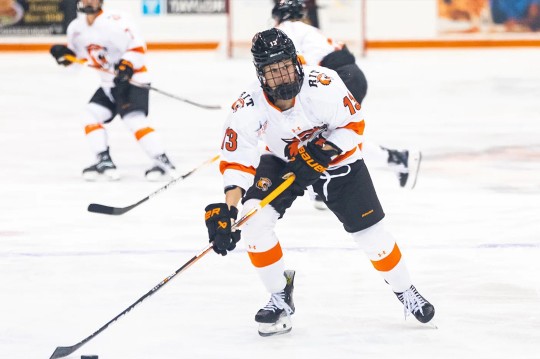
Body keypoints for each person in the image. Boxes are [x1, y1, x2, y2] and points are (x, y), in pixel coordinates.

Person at [203, 28, 435, 337]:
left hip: (338, 161)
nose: (282, 76)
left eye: (285, 66)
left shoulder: (323, 84)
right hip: (283, 162)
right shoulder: (247, 106)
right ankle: (279, 296)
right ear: (260, 75)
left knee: (372, 237)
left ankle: (405, 290)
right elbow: (237, 160)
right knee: (253, 222)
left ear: (296, 63)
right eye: (272, 71)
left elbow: (354, 125)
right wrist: (229, 210)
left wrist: (321, 151)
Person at [272, 0, 422, 198]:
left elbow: (295, 68)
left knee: (324, 135)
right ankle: (398, 159)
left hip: (340, 80)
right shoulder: (306, 30)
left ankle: (397, 159)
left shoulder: (286, 30)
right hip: (349, 76)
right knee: (332, 135)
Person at [49, 0, 177, 181]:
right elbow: (76, 60)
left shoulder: (115, 21)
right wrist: (64, 55)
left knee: (133, 119)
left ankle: (162, 161)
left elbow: (138, 46)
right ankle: (104, 160)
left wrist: (127, 64)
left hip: (133, 80)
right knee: (90, 115)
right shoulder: (75, 28)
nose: (88, 1)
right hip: (108, 84)